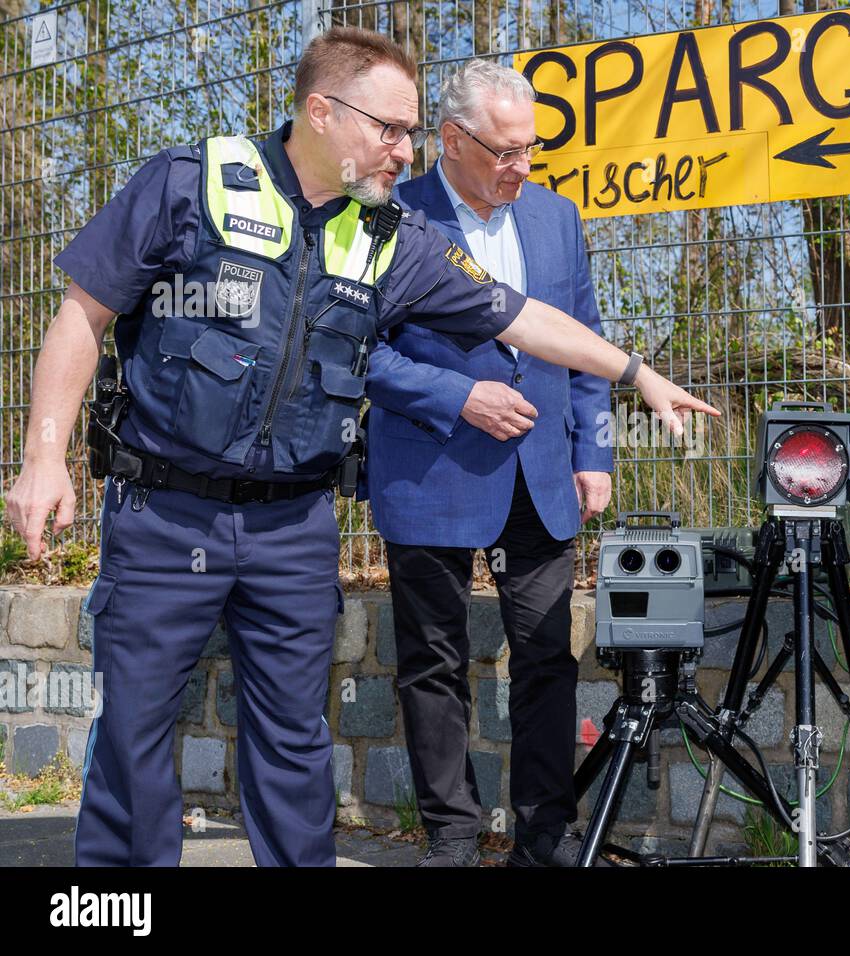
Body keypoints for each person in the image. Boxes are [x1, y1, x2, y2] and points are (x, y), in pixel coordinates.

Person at [3, 26, 717, 867]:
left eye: (411, 131)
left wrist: (636, 371)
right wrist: (43, 455)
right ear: (320, 112)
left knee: (297, 749)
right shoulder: (186, 185)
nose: (404, 149)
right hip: (167, 517)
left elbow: (522, 316)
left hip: (293, 528)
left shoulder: (389, 237)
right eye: (390, 129)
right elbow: (82, 316)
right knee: (132, 737)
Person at [364, 60, 612, 867]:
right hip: (427, 469)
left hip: (540, 479)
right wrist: (454, 397)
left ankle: (546, 831)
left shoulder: (557, 218)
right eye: (506, 151)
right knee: (432, 663)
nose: (523, 165)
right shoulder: (387, 214)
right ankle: (453, 835)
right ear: (451, 140)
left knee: (546, 656)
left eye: (531, 147)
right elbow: (358, 351)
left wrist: (594, 451)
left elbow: (585, 344)